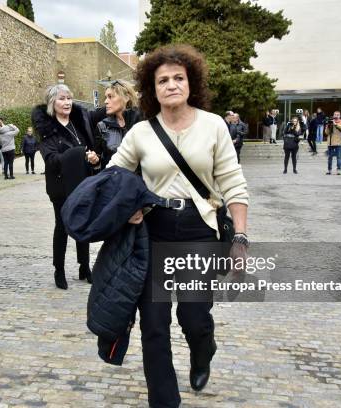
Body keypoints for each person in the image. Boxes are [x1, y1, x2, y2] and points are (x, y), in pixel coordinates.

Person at [108, 44, 249, 408]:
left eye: (178, 78)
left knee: (193, 314)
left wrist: (241, 238)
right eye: (163, 80)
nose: (171, 85)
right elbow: (114, 176)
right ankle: (164, 401)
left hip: (199, 230)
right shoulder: (141, 132)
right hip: (153, 232)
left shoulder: (214, 125)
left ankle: (204, 349)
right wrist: (129, 206)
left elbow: (233, 182)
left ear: (191, 83)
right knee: (154, 325)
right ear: (152, 89)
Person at [31, 84, 105, 289]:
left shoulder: (79, 123)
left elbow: (92, 148)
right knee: (62, 226)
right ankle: (59, 269)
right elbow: (51, 159)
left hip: (83, 182)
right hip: (61, 186)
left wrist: (92, 158)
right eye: (62, 99)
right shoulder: (48, 130)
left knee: (83, 223)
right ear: (52, 103)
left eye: (69, 98)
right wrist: (80, 153)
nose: (67, 103)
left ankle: (84, 266)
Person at [94, 80, 141, 169]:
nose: (106, 101)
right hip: (114, 179)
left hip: (139, 180)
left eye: (110, 97)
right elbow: (98, 164)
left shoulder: (140, 122)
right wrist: (94, 161)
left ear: (126, 98)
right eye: (106, 97)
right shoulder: (102, 126)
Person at [324, 111, 341, 175]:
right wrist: (328, 126)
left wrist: (336, 124)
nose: (336, 116)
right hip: (330, 143)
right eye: (335, 115)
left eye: (337, 115)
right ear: (333, 115)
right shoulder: (330, 122)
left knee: (338, 157)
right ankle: (329, 170)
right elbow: (326, 133)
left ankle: (338, 170)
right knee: (330, 157)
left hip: (338, 143)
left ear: (340, 116)